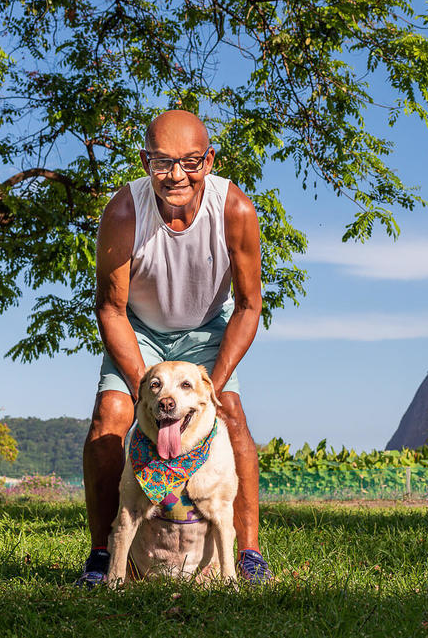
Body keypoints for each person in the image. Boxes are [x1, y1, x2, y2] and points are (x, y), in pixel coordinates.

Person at [77, 109, 271, 584]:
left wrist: (211, 387)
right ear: (145, 162)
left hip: (208, 329)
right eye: (163, 162)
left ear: (209, 160)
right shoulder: (125, 212)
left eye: (189, 162)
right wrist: (146, 385)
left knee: (231, 415)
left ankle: (247, 555)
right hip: (139, 327)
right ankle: (103, 554)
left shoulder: (234, 209)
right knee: (110, 418)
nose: (176, 175)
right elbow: (109, 308)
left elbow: (248, 305)